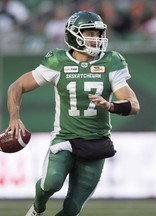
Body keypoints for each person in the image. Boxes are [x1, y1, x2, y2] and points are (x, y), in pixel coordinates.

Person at [6, 10, 140, 216]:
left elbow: (134, 105)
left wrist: (111, 106)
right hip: (65, 138)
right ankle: (36, 209)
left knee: (72, 208)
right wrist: (15, 117)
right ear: (74, 35)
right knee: (51, 183)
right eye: (90, 33)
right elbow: (17, 86)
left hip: (96, 142)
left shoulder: (111, 62)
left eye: (98, 34)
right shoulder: (58, 61)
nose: (96, 38)